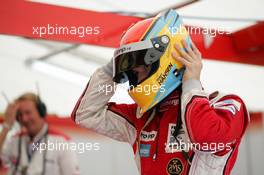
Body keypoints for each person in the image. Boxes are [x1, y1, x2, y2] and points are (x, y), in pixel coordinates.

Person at [71, 9, 249, 175]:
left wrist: (191, 82)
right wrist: (114, 67)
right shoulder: (142, 117)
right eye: (133, 70)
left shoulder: (226, 105)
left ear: (168, 57)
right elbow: (86, 114)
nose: (136, 74)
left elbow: (206, 138)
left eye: (142, 65)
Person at [0, 92, 80, 175]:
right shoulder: (15, 140)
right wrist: (6, 125)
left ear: (41, 112)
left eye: (28, 113)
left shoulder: (62, 142)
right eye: (20, 114)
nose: (24, 119)